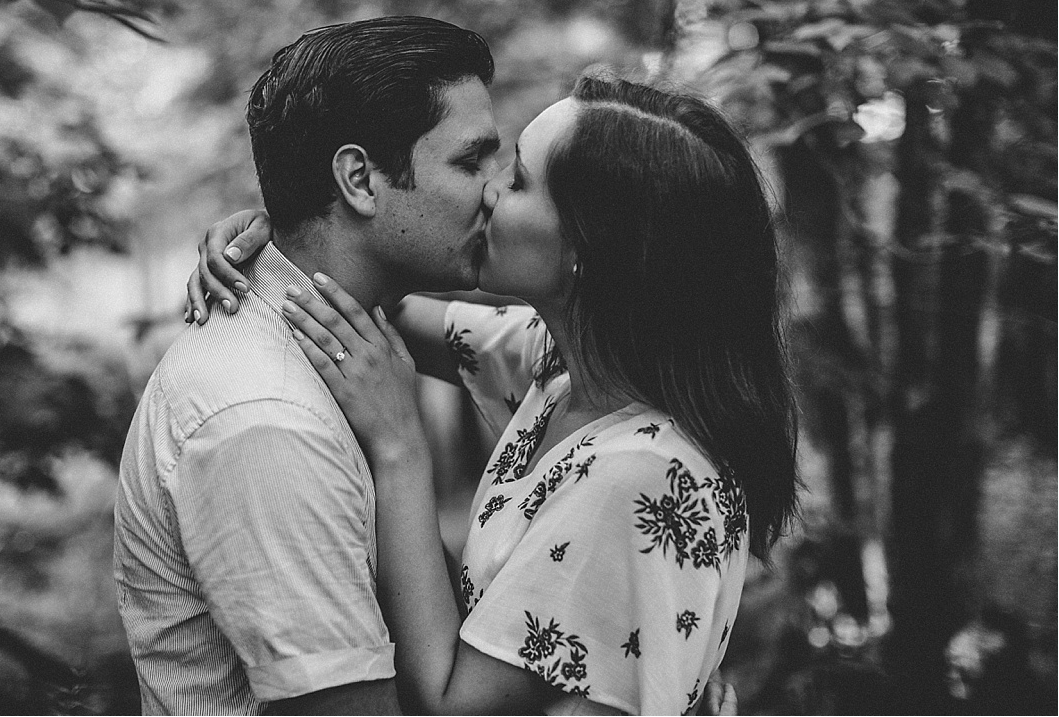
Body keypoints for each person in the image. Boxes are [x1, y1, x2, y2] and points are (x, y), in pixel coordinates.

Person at [190, 73, 796, 714]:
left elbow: (448, 705)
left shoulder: (641, 474)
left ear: (589, 251)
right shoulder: (559, 368)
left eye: (521, 181)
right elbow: (354, 302)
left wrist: (399, 447)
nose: (489, 189)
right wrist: (273, 238)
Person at [113, 15, 502, 714]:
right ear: (358, 178)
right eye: (472, 162)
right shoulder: (267, 419)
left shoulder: (356, 346)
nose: (496, 191)